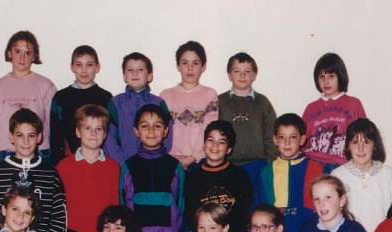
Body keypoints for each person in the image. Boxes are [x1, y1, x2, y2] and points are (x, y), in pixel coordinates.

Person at [120, 104, 184, 232]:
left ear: (166, 131)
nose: (151, 131)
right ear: (136, 131)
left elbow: (181, 204)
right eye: (145, 126)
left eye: (157, 126)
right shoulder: (128, 166)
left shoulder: (175, 166)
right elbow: (123, 203)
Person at [56, 104, 120, 232]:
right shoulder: (63, 166)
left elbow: (117, 205)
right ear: (77, 131)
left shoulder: (114, 167)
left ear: (105, 134)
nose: (93, 133)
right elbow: (58, 206)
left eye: (98, 128)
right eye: (87, 128)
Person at [0, 108, 66, 232]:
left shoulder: (50, 173)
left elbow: (59, 216)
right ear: (11, 137)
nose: (26, 141)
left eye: (31, 136)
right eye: (20, 135)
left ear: (39, 137)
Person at [183, 120, 254, 232]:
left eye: (221, 142)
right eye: (210, 140)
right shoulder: (192, 177)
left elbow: (245, 210)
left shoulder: (239, 175)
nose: (215, 145)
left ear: (229, 149)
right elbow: (189, 212)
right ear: (204, 145)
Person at [0, 30, 55, 163]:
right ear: (9, 53)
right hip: (7, 151)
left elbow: (49, 124)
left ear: (34, 56)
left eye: (28, 53)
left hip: (39, 151)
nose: (22, 57)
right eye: (18, 51)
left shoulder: (46, 86)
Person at [257, 113, 323, 232]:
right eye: (282, 137)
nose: (287, 142)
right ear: (275, 140)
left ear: (302, 139)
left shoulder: (317, 169)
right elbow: (261, 210)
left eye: (293, 137)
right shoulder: (266, 173)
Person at [218, 52, 277, 188]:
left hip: (258, 165)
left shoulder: (262, 102)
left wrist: (270, 164)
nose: (242, 76)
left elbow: (270, 135)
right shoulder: (219, 102)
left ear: (254, 75)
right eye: (237, 71)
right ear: (229, 75)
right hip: (227, 165)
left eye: (247, 71)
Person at [331, 118, 392, 232]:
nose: (360, 148)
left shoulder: (389, 175)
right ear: (348, 146)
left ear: (375, 145)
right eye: (355, 142)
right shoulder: (337, 176)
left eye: (366, 142)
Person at [302, 53, 366, 173]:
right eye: (321, 77)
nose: (326, 82)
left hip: (342, 164)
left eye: (331, 76)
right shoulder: (311, 108)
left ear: (340, 77)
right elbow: (302, 140)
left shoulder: (353, 104)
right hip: (314, 164)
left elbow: (363, 137)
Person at [104, 52, 173, 164]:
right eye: (130, 70)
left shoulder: (159, 103)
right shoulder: (115, 104)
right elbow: (109, 139)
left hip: (154, 163)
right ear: (124, 77)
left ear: (149, 76)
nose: (135, 73)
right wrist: (123, 163)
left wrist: (158, 158)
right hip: (123, 164)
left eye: (140, 69)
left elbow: (168, 135)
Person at [160, 40, 219, 168]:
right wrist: (169, 156)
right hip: (170, 159)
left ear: (203, 67)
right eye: (185, 63)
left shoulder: (210, 95)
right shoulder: (166, 95)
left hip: (200, 160)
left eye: (195, 63)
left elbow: (209, 129)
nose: (190, 68)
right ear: (178, 66)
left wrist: (194, 157)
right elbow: (161, 130)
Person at [50, 45, 112, 163]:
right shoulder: (61, 97)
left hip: (99, 159)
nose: (84, 70)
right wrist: (59, 161)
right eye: (79, 65)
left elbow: (109, 135)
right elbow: (55, 135)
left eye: (89, 65)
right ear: (72, 67)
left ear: (97, 67)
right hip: (68, 160)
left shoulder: (106, 97)